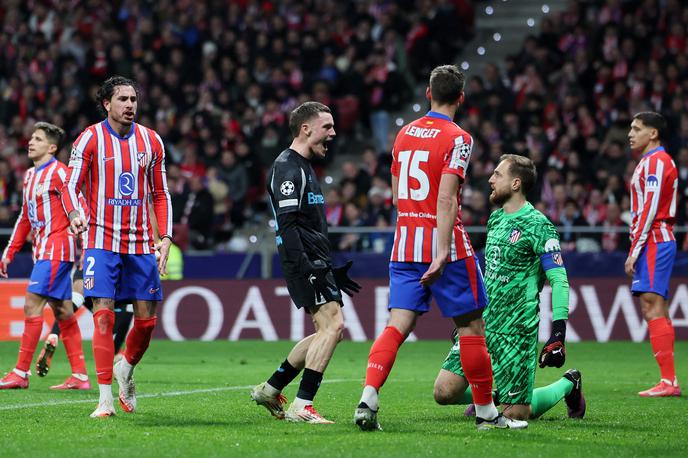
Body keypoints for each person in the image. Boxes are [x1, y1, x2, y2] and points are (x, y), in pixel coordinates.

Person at [354, 65, 527, 431]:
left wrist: (412, 227)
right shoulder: (459, 137)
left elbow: (398, 190)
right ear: (461, 98)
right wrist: (443, 249)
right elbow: (447, 199)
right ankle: (485, 414)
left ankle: (368, 397)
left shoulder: (403, 133)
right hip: (444, 245)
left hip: (404, 243)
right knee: (472, 326)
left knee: (397, 324)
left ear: (428, 93)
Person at [433, 154, 585, 421]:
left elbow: (559, 280)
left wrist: (558, 332)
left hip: (516, 330)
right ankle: (489, 398)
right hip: (484, 323)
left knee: (517, 413)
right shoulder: (495, 220)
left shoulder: (539, 226)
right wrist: (467, 318)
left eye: (497, 175)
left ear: (516, 184)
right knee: (444, 392)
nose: (491, 180)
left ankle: (568, 383)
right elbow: (489, 272)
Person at [61, 75, 173, 417]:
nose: (130, 105)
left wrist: (165, 236)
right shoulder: (89, 139)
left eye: (134, 99)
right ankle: (105, 398)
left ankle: (126, 368)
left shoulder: (151, 141)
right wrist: (75, 213)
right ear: (106, 104)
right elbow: (69, 186)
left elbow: (160, 193)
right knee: (104, 317)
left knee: (146, 322)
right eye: (122, 99)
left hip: (140, 242)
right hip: (99, 240)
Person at [250, 101, 361, 424]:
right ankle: (303, 404)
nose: (333, 133)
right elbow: (287, 224)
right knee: (334, 326)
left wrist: (326, 267)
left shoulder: (304, 166)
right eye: (327, 127)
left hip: (314, 260)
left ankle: (271, 388)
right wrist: (309, 267)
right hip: (304, 261)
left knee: (327, 331)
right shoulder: (288, 166)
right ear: (305, 129)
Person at [0, 122, 90, 390]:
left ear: (52, 147)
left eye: (38, 139)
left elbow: (80, 207)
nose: (30, 142)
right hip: (43, 251)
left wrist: (86, 247)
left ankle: (20, 373)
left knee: (31, 305)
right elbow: (25, 219)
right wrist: (9, 253)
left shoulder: (61, 174)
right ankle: (80, 376)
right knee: (63, 312)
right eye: (31, 138)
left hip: (58, 248)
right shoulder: (29, 176)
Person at [625, 111, 680, 397]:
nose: (630, 134)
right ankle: (668, 380)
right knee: (654, 305)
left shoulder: (658, 161)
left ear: (653, 133)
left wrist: (635, 249)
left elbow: (650, 208)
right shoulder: (648, 162)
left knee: (652, 304)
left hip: (655, 240)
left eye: (637, 128)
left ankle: (669, 382)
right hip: (652, 240)